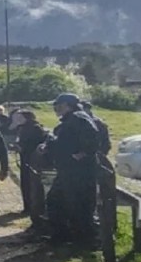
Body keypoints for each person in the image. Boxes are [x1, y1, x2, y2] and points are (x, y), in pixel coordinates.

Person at [40, 93, 100, 246]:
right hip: (68, 170)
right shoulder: (69, 120)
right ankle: (63, 236)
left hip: (78, 172)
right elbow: (64, 143)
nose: (56, 109)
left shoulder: (79, 117)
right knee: (57, 201)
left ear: (67, 105)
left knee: (79, 205)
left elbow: (93, 138)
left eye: (58, 106)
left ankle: (84, 240)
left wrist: (83, 154)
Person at [11, 110, 50, 227]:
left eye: (20, 117)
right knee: (25, 183)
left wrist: (22, 148)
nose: (17, 120)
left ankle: (33, 207)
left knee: (31, 184)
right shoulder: (21, 128)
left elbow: (36, 144)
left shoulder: (35, 128)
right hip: (24, 158)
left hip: (32, 159)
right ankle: (26, 206)